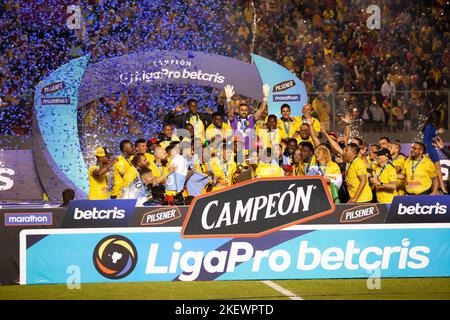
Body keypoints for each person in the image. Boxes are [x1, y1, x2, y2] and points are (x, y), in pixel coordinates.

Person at [225, 84, 268, 154]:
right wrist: (228, 99)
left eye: (246, 110)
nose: (244, 112)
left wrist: (265, 98)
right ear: (238, 111)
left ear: (248, 111)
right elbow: (229, 111)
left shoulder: (251, 119)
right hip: (237, 152)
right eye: (242, 110)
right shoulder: (234, 120)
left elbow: (260, 110)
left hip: (249, 152)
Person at [422, 110, 447, 193]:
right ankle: (442, 187)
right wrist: (426, 152)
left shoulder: (431, 126)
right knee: (437, 169)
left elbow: (429, 137)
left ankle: (441, 187)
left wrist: (437, 132)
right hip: (429, 149)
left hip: (431, 148)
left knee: (436, 169)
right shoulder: (429, 126)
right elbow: (425, 139)